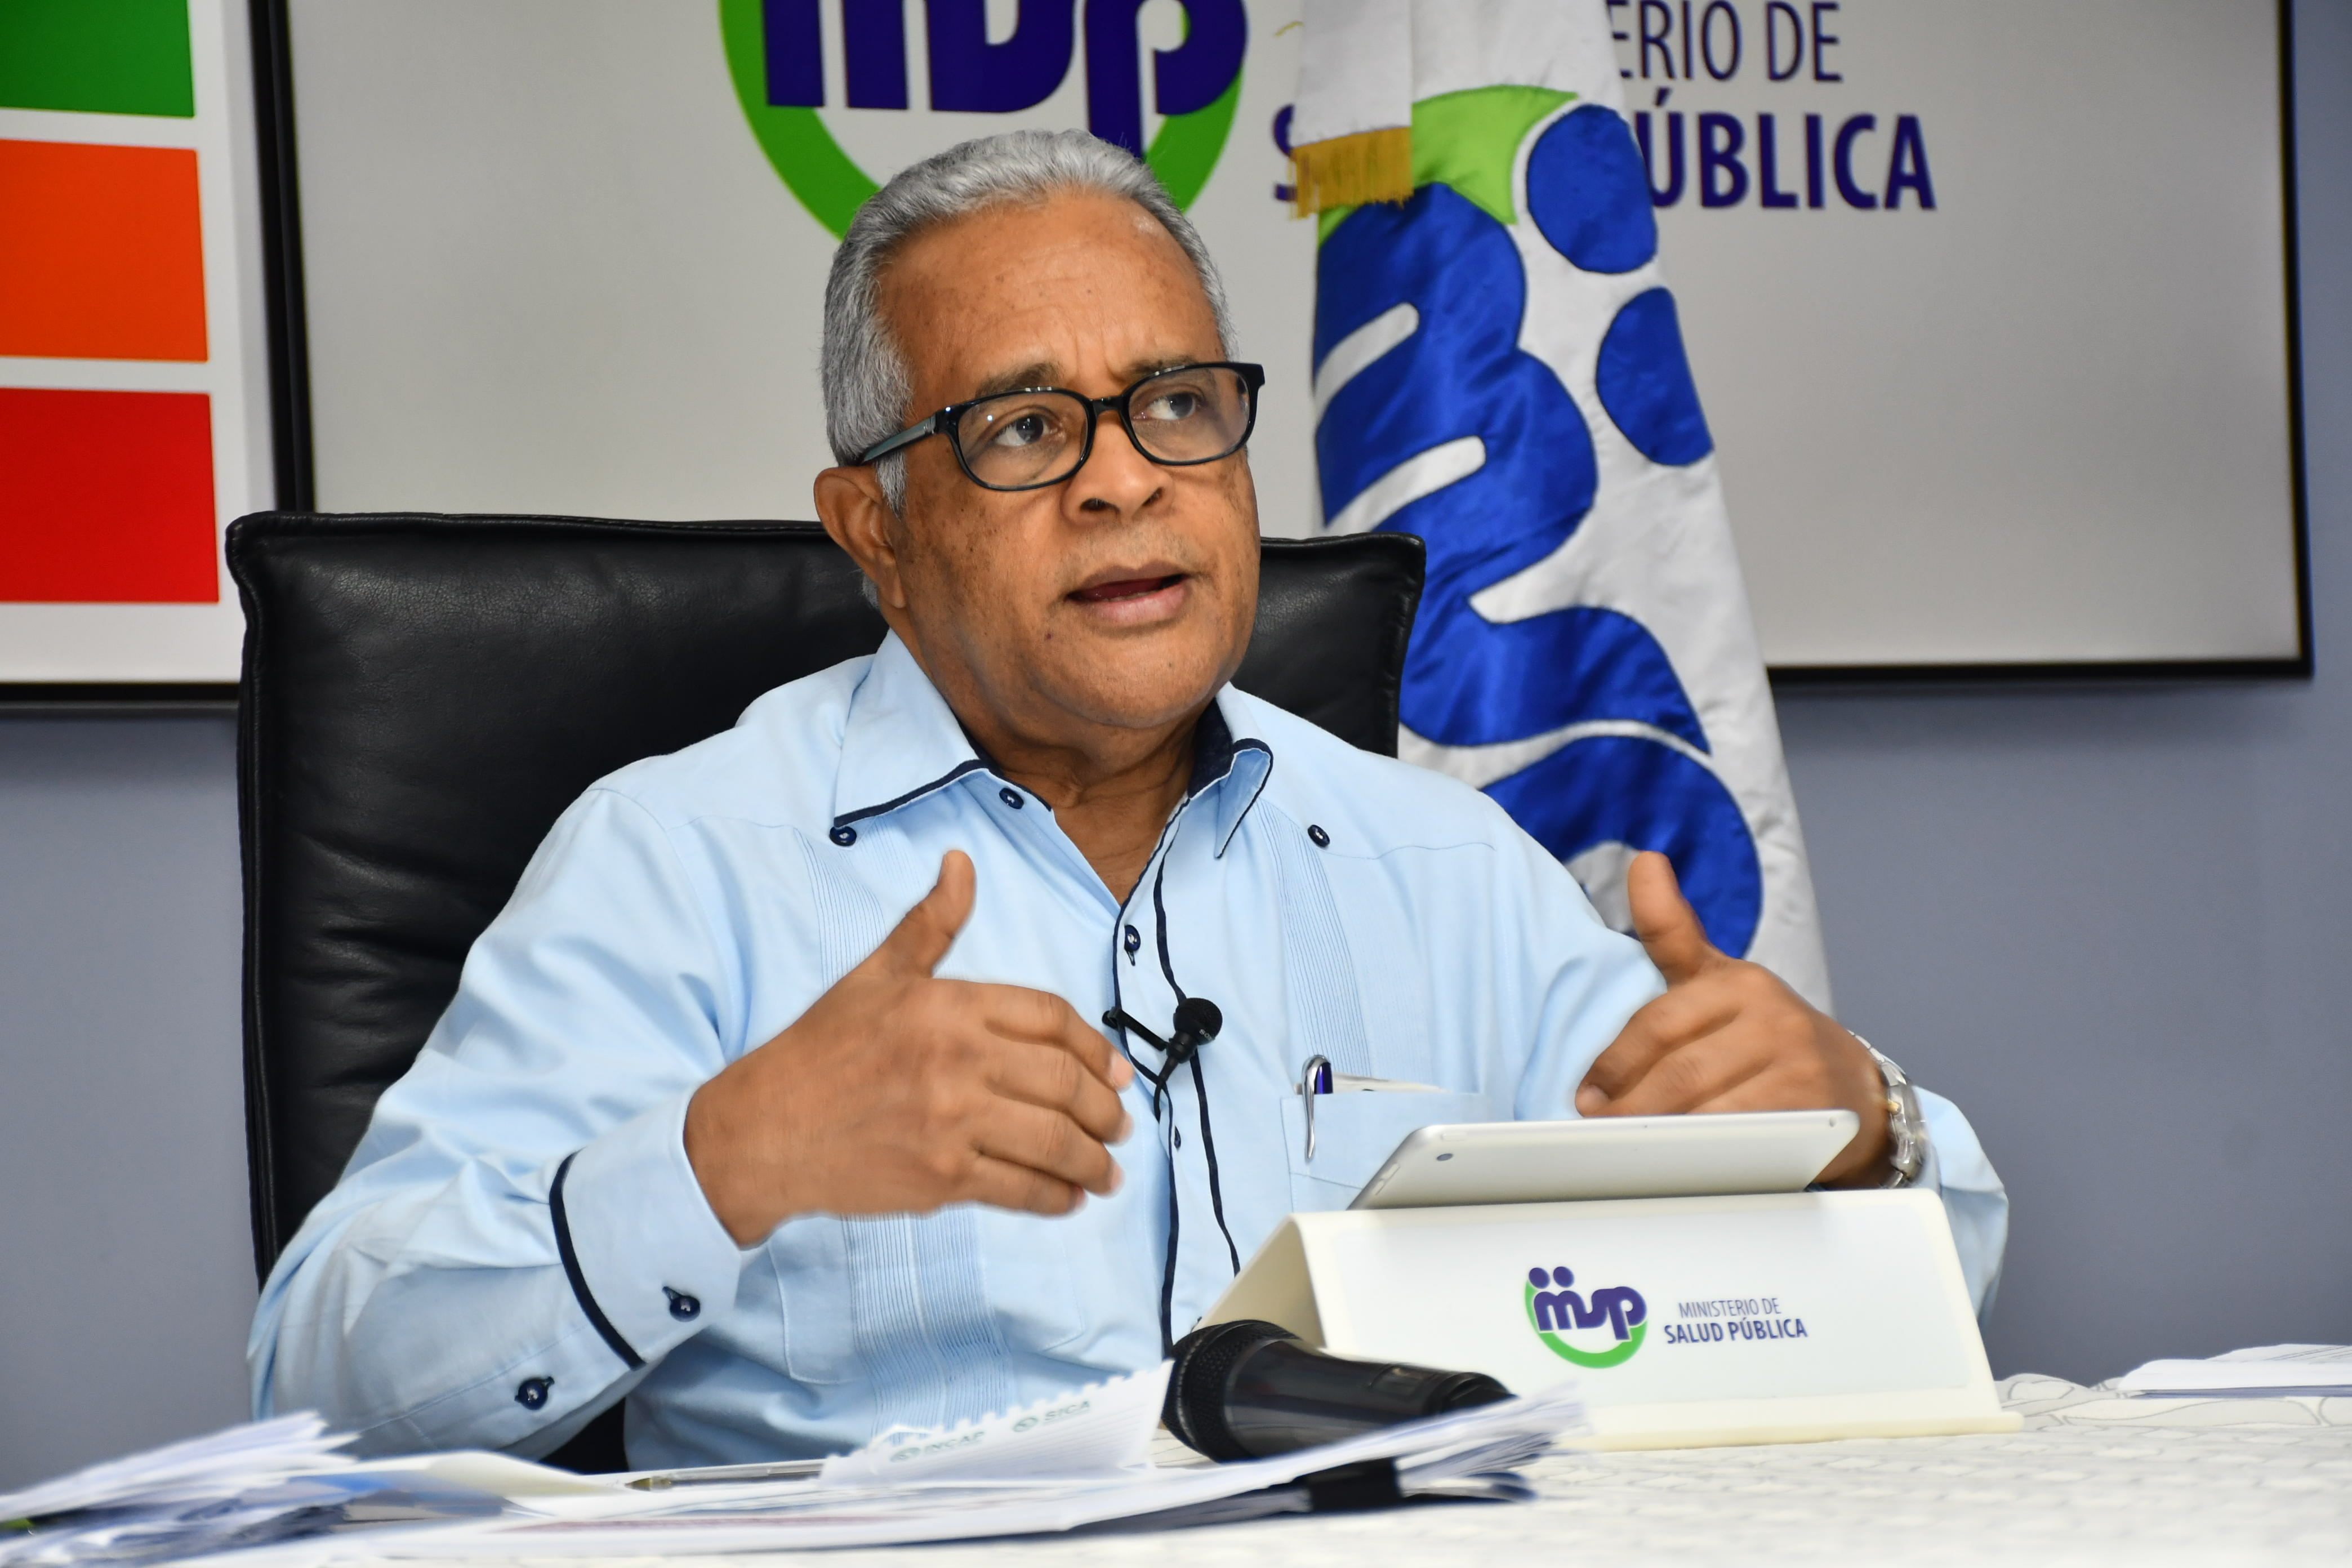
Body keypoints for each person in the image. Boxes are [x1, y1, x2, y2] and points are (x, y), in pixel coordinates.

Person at [250, 130, 2005, 1467]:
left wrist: (1859, 1130)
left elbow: (1895, 1281)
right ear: (875, 531)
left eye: (1174, 405)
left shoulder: (1438, 863)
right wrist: (725, 1164)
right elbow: (321, 1381)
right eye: (1023, 431)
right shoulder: (684, 865)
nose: (1123, 486)